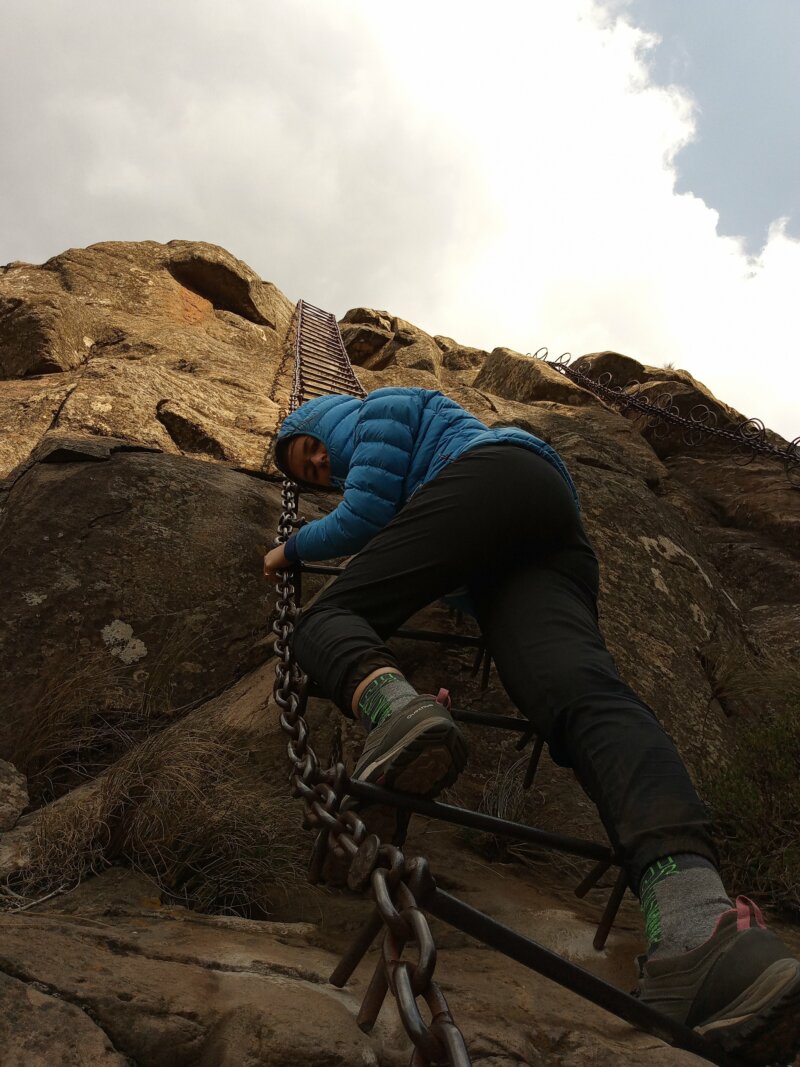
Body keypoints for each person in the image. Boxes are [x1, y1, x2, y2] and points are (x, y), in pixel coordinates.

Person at [264, 386, 800, 1065]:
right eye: (304, 468)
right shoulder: (425, 449)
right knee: (580, 697)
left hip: (496, 484)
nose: (315, 463)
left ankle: (398, 710)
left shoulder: (379, 410)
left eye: (311, 448)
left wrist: (290, 549)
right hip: (536, 530)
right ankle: (702, 930)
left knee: (324, 622)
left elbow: (366, 507)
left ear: (325, 421)